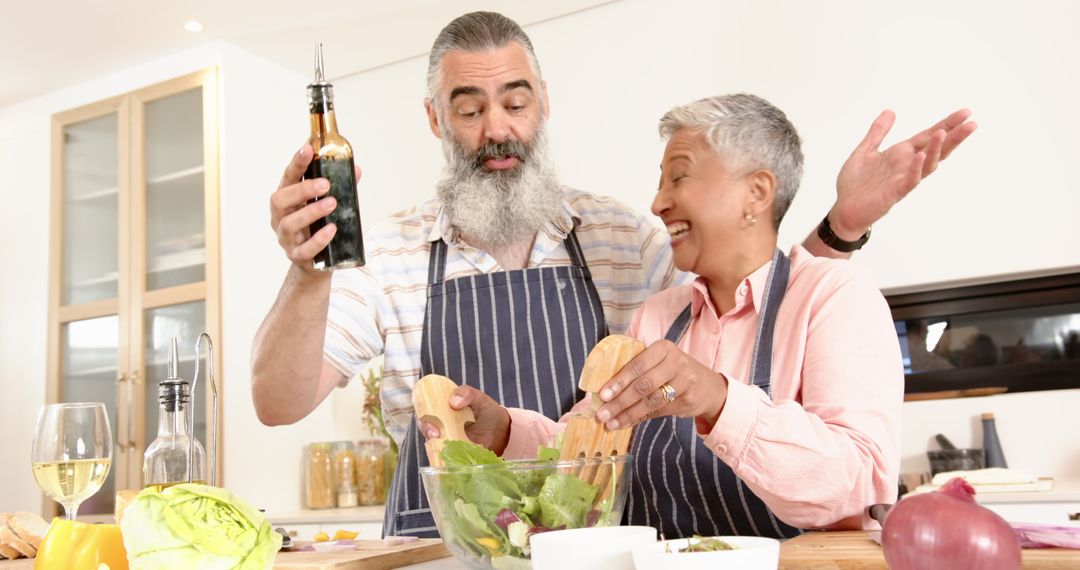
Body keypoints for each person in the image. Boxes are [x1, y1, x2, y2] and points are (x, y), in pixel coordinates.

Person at [251, 11, 976, 538]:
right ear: (437, 122)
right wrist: (310, 267)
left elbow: (762, 294)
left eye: (514, 101)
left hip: (595, 551)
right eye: (468, 109)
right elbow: (279, 403)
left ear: (544, 103)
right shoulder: (392, 254)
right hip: (448, 550)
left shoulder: (624, 239)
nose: (496, 129)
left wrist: (840, 229)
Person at [448, 93, 905, 539]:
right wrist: (506, 431)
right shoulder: (658, 316)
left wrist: (718, 399)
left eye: (678, 178)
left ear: (757, 193)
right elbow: (588, 446)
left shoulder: (833, 296)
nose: (657, 203)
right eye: (660, 182)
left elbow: (859, 486)